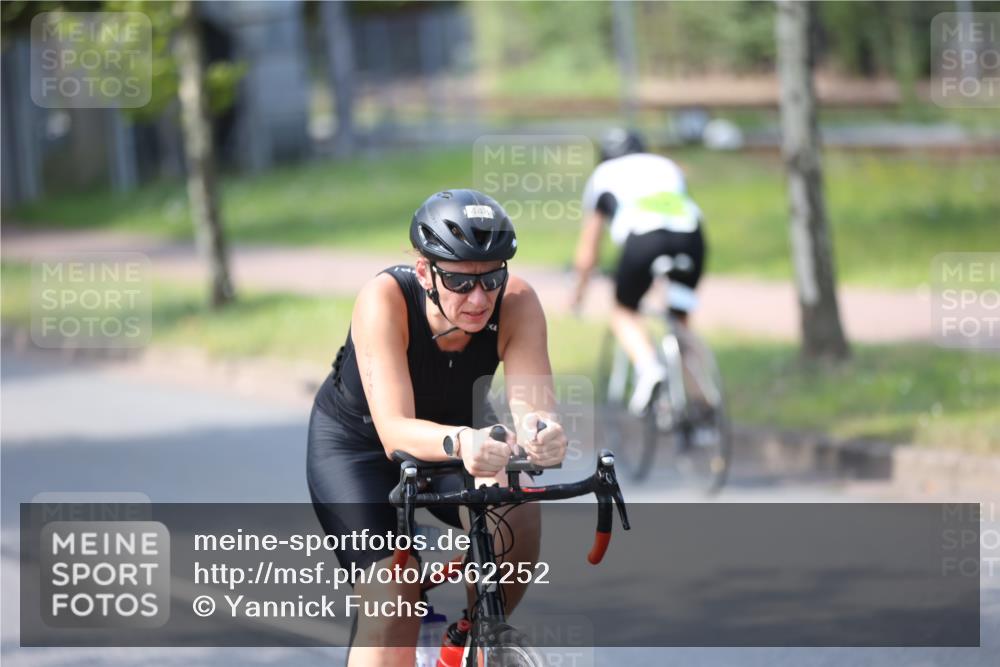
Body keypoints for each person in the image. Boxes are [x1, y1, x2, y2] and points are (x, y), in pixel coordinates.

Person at [307, 189, 568, 666]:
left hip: (458, 439)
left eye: (492, 279)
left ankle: (477, 638)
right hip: (360, 449)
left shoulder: (517, 303)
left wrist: (543, 432)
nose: (479, 297)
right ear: (425, 271)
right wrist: (463, 441)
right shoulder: (384, 298)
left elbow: (534, 409)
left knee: (518, 505)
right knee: (394, 598)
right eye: (460, 282)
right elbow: (394, 432)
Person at [571, 128, 707, 415]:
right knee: (679, 322)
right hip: (691, 238)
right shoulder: (665, 165)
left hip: (644, 241)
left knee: (623, 311)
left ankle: (648, 368)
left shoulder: (603, 174)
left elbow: (588, 252)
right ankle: (703, 405)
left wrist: (579, 295)